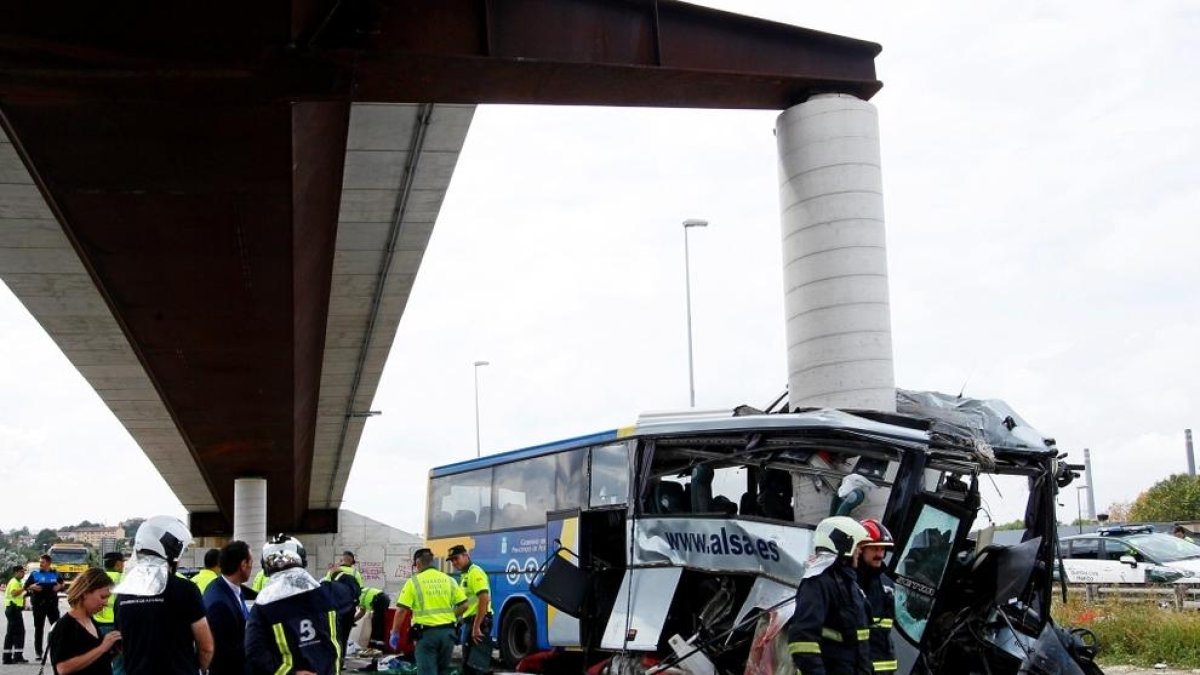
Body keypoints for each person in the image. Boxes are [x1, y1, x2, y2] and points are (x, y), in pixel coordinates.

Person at [114, 515, 214, 675]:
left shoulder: (123, 594)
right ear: (171, 553)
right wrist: (199, 669)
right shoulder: (186, 589)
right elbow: (206, 647)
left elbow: (121, 644)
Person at [245, 533, 357, 675]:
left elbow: (254, 654)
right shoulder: (327, 593)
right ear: (301, 558)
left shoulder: (262, 606)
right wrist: (337, 574)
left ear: (265, 566)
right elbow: (352, 590)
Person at [787, 516, 872, 675]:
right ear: (845, 545)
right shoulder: (817, 582)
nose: (860, 551)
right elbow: (802, 639)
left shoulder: (851, 585)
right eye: (858, 546)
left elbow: (860, 645)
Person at [389, 548, 467, 675]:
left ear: (418, 564)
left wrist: (395, 632)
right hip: (448, 635)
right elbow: (464, 605)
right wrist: (450, 617)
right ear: (432, 562)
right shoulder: (449, 580)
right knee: (442, 672)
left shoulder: (413, 582)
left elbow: (401, 611)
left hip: (426, 636)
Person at [48, 568, 121, 675]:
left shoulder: (91, 621)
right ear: (85, 593)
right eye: (103, 597)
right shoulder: (65, 626)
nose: (105, 603)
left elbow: (93, 659)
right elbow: (63, 668)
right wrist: (102, 648)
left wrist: (113, 649)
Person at [203, 541, 253, 675]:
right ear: (243, 565)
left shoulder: (228, 589)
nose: (252, 567)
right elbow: (223, 655)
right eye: (251, 562)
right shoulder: (220, 603)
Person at [857, 518, 896, 673]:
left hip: (883, 668)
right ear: (860, 549)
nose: (880, 554)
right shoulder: (847, 582)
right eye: (874, 549)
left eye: (882, 549)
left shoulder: (887, 585)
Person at [447, 544, 491, 675]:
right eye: (452, 560)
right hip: (470, 622)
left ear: (466, 556)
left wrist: (477, 626)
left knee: (475, 668)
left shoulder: (475, 572)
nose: (454, 562)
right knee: (468, 666)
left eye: (456, 558)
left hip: (478, 623)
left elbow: (484, 598)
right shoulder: (465, 575)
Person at [27, 553, 65, 660]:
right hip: (38, 605)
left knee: (56, 628)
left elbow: (63, 585)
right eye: (40, 562)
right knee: (39, 628)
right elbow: (26, 586)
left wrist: (60, 587)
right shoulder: (35, 574)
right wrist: (32, 586)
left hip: (52, 604)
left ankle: (57, 650)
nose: (40, 564)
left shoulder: (56, 574)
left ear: (49, 563)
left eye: (42, 562)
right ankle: (39, 652)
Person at [93, 552, 125, 675]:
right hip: (117, 626)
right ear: (118, 564)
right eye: (123, 562)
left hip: (97, 624)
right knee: (119, 663)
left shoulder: (97, 578)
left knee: (98, 660)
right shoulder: (124, 578)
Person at [4, 564, 29, 664]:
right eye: (22, 572)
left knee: (11, 634)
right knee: (19, 633)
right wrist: (25, 588)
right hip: (13, 609)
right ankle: (17, 656)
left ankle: (8, 657)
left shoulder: (18, 582)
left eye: (24, 572)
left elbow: (20, 596)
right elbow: (14, 593)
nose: (23, 573)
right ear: (16, 572)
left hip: (14, 609)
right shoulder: (14, 582)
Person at [353, 585, 391, 650]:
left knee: (377, 624)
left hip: (379, 600)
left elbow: (361, 612)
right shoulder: (363, 592)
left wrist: (352, 621)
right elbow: (362, 612)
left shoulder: (359, 595)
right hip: (383, 599)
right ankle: (375, 645)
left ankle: (377, 646)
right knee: (377, 623)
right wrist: (353, 620)